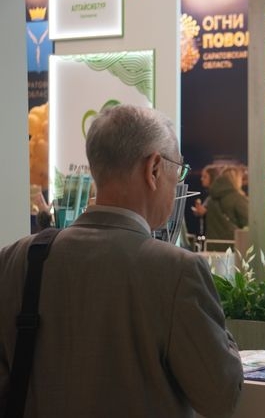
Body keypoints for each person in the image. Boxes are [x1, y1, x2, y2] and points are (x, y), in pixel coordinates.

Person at [0, 104, 244, 417]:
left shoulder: (16, 259)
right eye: (178, 170)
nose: (177, 184)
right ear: (154, 169)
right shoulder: (177, 271)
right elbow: (221, 397)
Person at [192, 164, 248, 250]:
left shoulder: (211, 198)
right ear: (236, 179)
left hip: (211, 246)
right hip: (232, 247)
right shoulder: (237, 198)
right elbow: (248, 222)